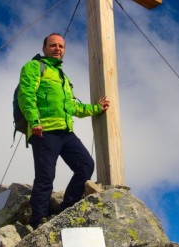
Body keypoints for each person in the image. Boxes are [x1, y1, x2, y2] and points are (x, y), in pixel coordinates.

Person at [17, 33, 110, 228]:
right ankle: (38, 219)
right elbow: (26, 95)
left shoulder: (63, 77)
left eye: (61, 46)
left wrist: (96, 108)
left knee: (85, 165)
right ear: (44, 49)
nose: (57, 49)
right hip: (44, 131)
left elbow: (73, 106)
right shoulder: (34, 67)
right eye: (53, 45)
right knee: (45, 176)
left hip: (65, 131)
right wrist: (34, 122)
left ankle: (66, 207)